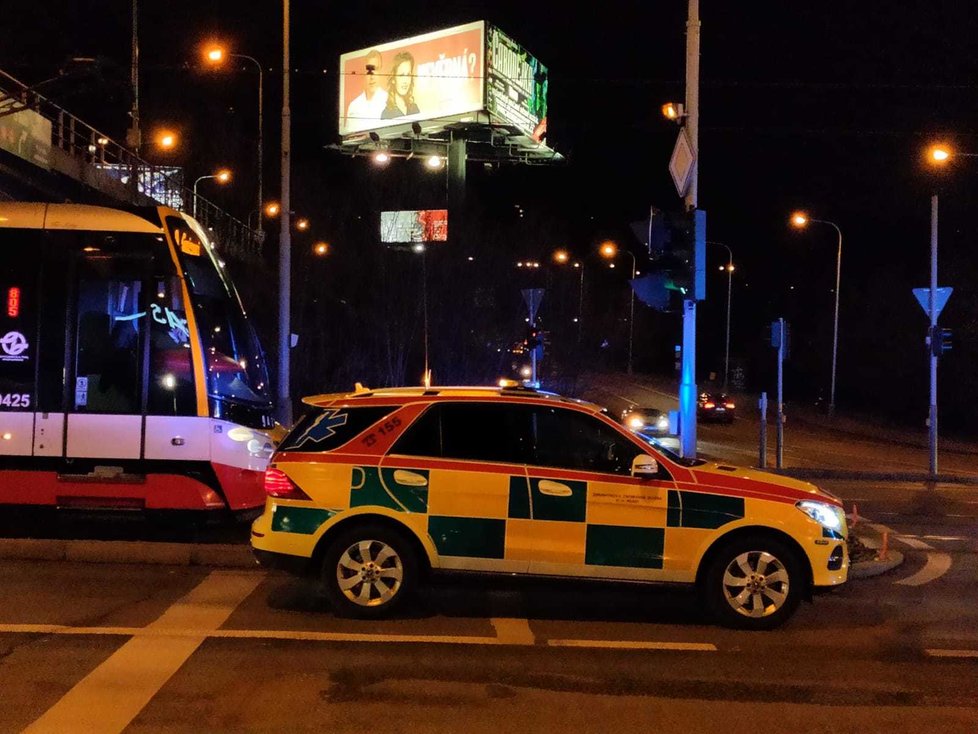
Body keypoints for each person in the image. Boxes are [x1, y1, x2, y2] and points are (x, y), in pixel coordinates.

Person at [345, 49, 388, 128]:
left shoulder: (389, 101)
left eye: (375, 69)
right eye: (368, 71)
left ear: (381, 71)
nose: (372, 77)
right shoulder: (353, 106)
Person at [381, 51, 420, 119]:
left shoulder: (414, 109)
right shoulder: (386, 114)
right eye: (401, 75)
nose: (405, 80)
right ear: (393, 79)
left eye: (408, 75)